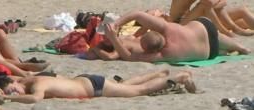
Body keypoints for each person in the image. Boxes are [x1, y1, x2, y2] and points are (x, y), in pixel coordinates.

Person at [106, 10, 249, 62]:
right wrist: (116, 24)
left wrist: (113, 38)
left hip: (209, 53)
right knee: (218, 38)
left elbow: (129, 57)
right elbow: (137, 14)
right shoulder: (167, 28)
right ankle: (240, 47)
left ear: (153, 51)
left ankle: (227, 50)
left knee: (218, 48)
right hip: (205, 28)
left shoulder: (165, 55)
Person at [0, 68, 197, 102]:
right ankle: (158, 74)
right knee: (125, 85)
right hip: (86, 81)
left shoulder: (37, 85)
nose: (15, 93)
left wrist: (7, 97)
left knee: (139, 91)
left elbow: (35, 98)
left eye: (13, 90)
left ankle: (180, 77)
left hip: (93, 87)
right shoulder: (30, 79)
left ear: (14, 82)